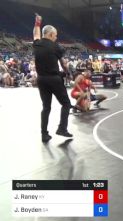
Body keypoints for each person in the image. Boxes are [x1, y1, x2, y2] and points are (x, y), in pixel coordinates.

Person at [33, 13, 72, 142]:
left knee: (46, 107)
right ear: (50, 35)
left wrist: (37, 23)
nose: (56, 38)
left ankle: (44, 134)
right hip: (54, 79)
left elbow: (36, 34)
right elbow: (63, 63)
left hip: (41, 79)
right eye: (55, 35)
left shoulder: (37, 43)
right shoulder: (56, 46)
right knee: (66, 104)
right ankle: (62, 128)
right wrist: (68, 72)